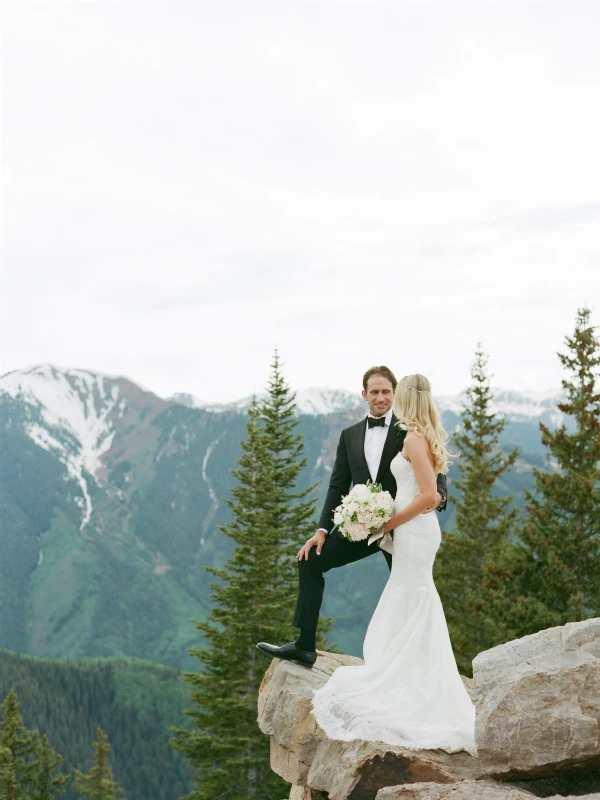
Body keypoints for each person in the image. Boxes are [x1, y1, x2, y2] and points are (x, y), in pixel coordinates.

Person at [310, 374, 476, 756]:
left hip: (415, 531)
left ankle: (409, 679)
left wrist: (389, 523)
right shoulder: (421, 434)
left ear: (406, 398)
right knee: (414, 598)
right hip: (414, 531)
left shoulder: (414, 439)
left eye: (395, 394)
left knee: (411, 595)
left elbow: (430, 496)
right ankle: (414, 673)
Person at [256, 366, 448, 668]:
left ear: (395, 394)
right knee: (309, 560)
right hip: (363, 527)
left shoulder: (408, 428)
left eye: (386, 391)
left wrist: (439, 494)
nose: (381, 397)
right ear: (364, 395)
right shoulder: (349, 436)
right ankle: (305, 646)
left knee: (412, 590)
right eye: (375, 391)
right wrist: (322, 530)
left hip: (403, 527)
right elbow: (337, 485)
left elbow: (433, 461)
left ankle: (420, 663)